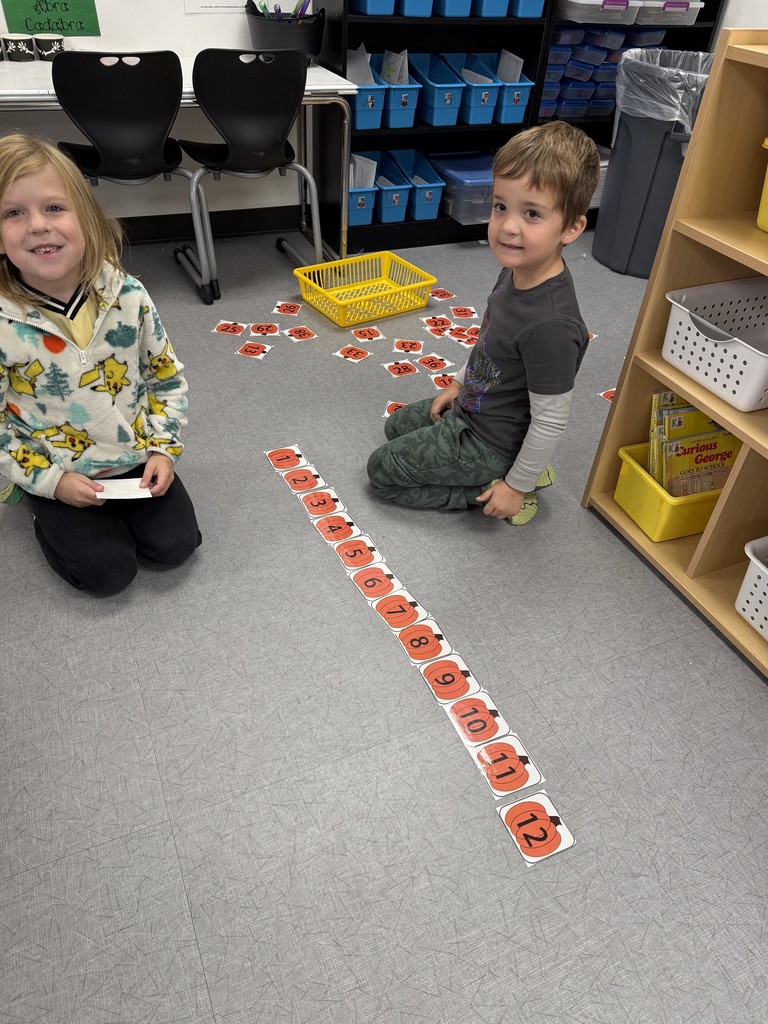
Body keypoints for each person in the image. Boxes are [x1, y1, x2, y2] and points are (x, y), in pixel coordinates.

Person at [367, 121, 601, 525]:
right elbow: (487, 343)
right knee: (397, 427)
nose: (508, 226)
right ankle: (510, 473)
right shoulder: (514, 269)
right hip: (474, 408)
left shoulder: (552, 326)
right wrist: (458, 384)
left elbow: (550, 420)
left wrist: (516, 485)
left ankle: (500, 488)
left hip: (491, 442)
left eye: (532, 214)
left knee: (382, 473)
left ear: (572, 228)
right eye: (500, 206)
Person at [0, 132, 201, 594]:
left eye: (54, 207)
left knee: (175, 547)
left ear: (86, 219)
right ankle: (37, 507)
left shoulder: (127, 293)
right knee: (107, 574)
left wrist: (163, 450)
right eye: (14, 212)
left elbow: (165, 377)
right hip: (57, 469)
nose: (37, 226)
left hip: (132, 460)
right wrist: (49, 482)